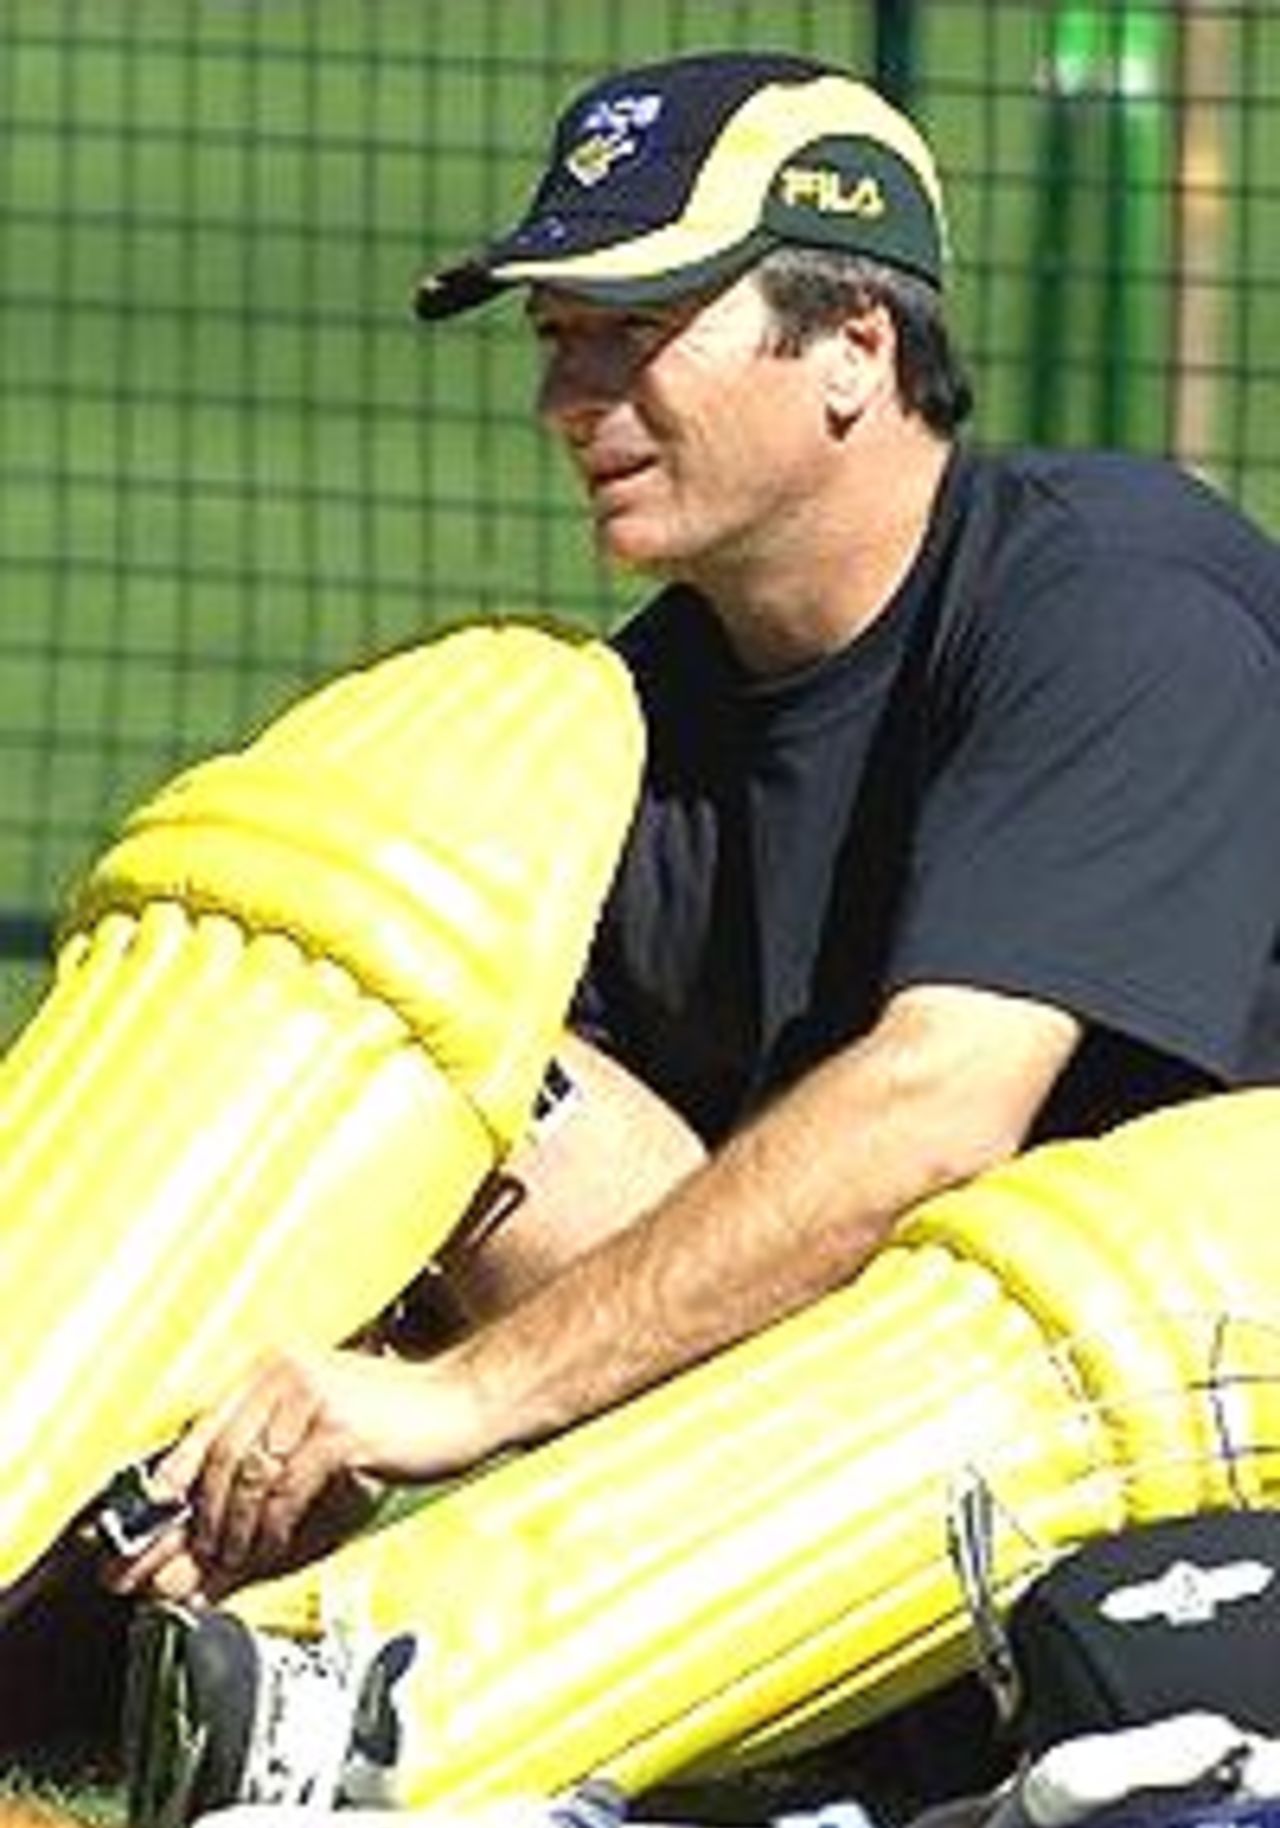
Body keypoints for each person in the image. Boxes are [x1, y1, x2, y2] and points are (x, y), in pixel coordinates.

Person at [112, 47, 1280, 1650]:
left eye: (636, 331)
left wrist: (462, 1398)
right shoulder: (633, 719)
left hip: (1189, 1441)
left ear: (855, 347)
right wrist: (289, 1421)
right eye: (557, 339)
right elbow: (479, 1145)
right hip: (885, 1435)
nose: (568, 400)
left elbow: (944, 1109)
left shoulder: (1118, 603)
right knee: (414, 1043)